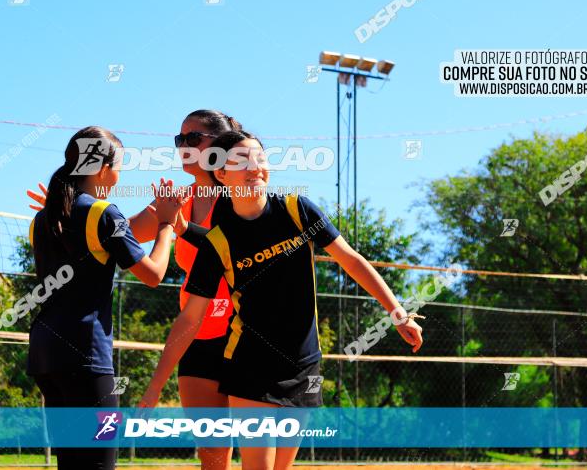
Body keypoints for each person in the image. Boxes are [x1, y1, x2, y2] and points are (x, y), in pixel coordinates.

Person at [140, 130, 424, 470]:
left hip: (303, 364)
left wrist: (398, 313)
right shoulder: (219, 240)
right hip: (249, 365)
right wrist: (155, 386)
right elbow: (190, 318)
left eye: (261, 158)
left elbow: (351, 260)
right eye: (243, 160)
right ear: (221, 173)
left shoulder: (296, 210)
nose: (256, 167)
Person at [27, 109, 243, 470]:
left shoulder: (243, 196)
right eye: (180, 140)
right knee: (213, 452)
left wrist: (66, 212)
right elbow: (122, 237)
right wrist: (66, 213)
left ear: (218, 145)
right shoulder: (173, 199)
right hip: (195, 335)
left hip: (244, 332)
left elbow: (241, 249)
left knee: (260, 452)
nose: (182, 146)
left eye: (193, 138)